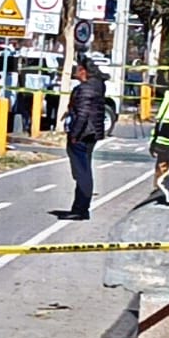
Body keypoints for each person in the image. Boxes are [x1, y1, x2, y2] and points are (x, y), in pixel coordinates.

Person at [62, 58, 108, 220]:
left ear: (83, 71)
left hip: (83, 134)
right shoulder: (98, 85)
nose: (75, 71)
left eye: (77, 68)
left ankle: (81, 209)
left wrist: (74, 135)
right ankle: (79, 207)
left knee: (82, 173)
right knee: (83, 170)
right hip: (91, 133)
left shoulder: (86, 89)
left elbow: (82, 114)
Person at [150, 88, 169, 203]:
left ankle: (162, 192)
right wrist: (154, 138)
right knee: (162, 166)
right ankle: (159, 191)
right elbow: (160, 117)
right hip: (164, 137)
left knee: (165, 167)